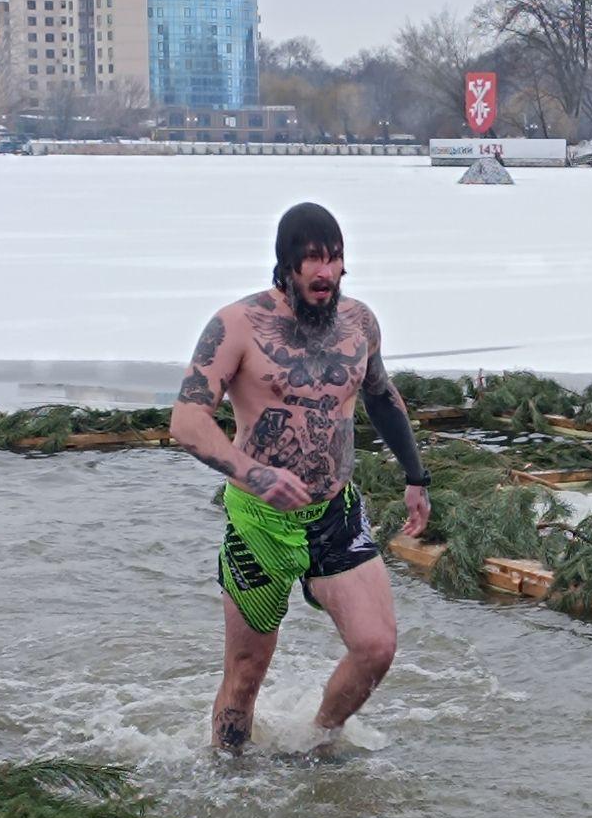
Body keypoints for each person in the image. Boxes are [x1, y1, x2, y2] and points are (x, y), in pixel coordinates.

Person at [169, 202, 432, 752]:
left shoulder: (359, 322)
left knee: (376, 647)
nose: (324, 272)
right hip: (259, 522)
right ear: (286, 265)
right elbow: (187, 420)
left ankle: (319, 742)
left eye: (334, 259)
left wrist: (416, 476)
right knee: (245, 676)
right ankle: (227, 778)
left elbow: (381, 397)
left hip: (333, 515)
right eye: (312, 259)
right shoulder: (237, 325)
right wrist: (254, 474)